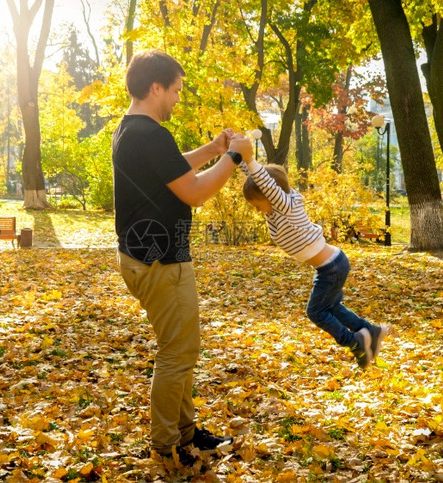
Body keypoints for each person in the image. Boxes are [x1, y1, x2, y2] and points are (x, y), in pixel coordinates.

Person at [112, 49, 254, 466]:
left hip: (149, 256)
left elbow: (174, 169)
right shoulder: (150, 134)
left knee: (182, 349)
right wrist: (233, 158)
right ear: (155, 87)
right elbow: (193, 191)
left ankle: (186, 431)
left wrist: (212, 149)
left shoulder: (131, 129)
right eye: (174, 90)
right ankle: (166, 444)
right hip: (161, 261)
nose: (177, 98)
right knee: (177, 352)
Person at [239, 158, 391, 369]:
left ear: (270, 195)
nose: (256, 210)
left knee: (316, 312)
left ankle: (355, 343)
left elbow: (265, 183)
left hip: (332, 267)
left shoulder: (286, 206)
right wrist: (236, 155)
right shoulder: (274, 210)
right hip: (330, 265)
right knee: (331, 307)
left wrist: (249, 157)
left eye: (257, 205)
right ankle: (370, 331)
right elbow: (257, 179)